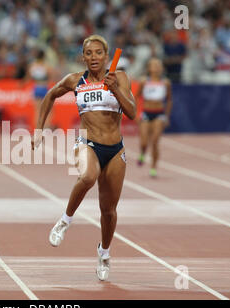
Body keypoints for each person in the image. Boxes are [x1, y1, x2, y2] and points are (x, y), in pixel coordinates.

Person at [32, 35, 136, 281]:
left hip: (115, 149)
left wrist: (116, 90)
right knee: (88, 176)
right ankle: (65, 221)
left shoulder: (119, 77)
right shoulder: (75, 80)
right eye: (88, 53)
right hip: (87, 142)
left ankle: (104, 252)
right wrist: (38, 129)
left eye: (98, 53)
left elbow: (132, 112)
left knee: (108, 210)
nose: (93, 58)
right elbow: (49, 96)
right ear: (83, 56)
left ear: (106, 55)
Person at [136, 58, 172, 178]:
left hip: (159, 114)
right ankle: (142, 152)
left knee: (155, 142)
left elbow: (169, 100)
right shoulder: (144, 81)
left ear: (161, 68)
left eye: (158, 65)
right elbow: (136, 97)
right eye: (154, 65)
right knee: (144, 142)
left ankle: (153, 167)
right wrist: (136, 113)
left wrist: (166, 116)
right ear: (149, 68)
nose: (156, 67)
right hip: (146, 113)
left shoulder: (165, 83)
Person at [26, 49, 54, 127]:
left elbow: (28, 77)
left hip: (36, 87)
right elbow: (51, 76)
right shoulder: (46, 65)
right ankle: (46, 127)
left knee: (37, 110)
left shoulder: (32, 65)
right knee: (48, 110)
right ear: (44, 56)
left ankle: (38, 129)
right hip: (44, 87)